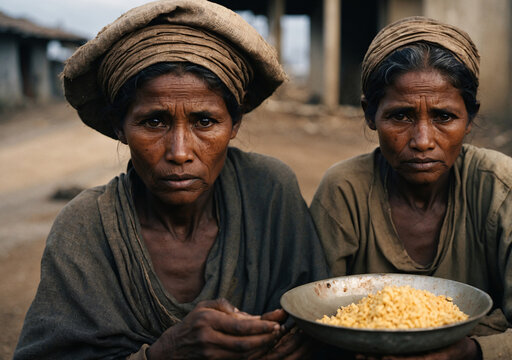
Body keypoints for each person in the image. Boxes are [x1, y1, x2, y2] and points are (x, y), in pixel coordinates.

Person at [14, 1, 329, 359]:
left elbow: (322, 318)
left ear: (235, 124)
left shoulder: (269, 191)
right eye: (154, 122)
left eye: (205, 122)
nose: (179, 152)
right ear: (120, 128)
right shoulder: (86, 228)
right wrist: (167, 352)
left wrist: (300, 342)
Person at [310, 16, 512, 359]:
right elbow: (311, 319)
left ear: (469, 117)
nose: (423, 141)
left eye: (444, 117)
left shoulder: (495, 185)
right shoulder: (345, 190)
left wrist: (473, 352)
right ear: (369, 114)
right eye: (401, 116)